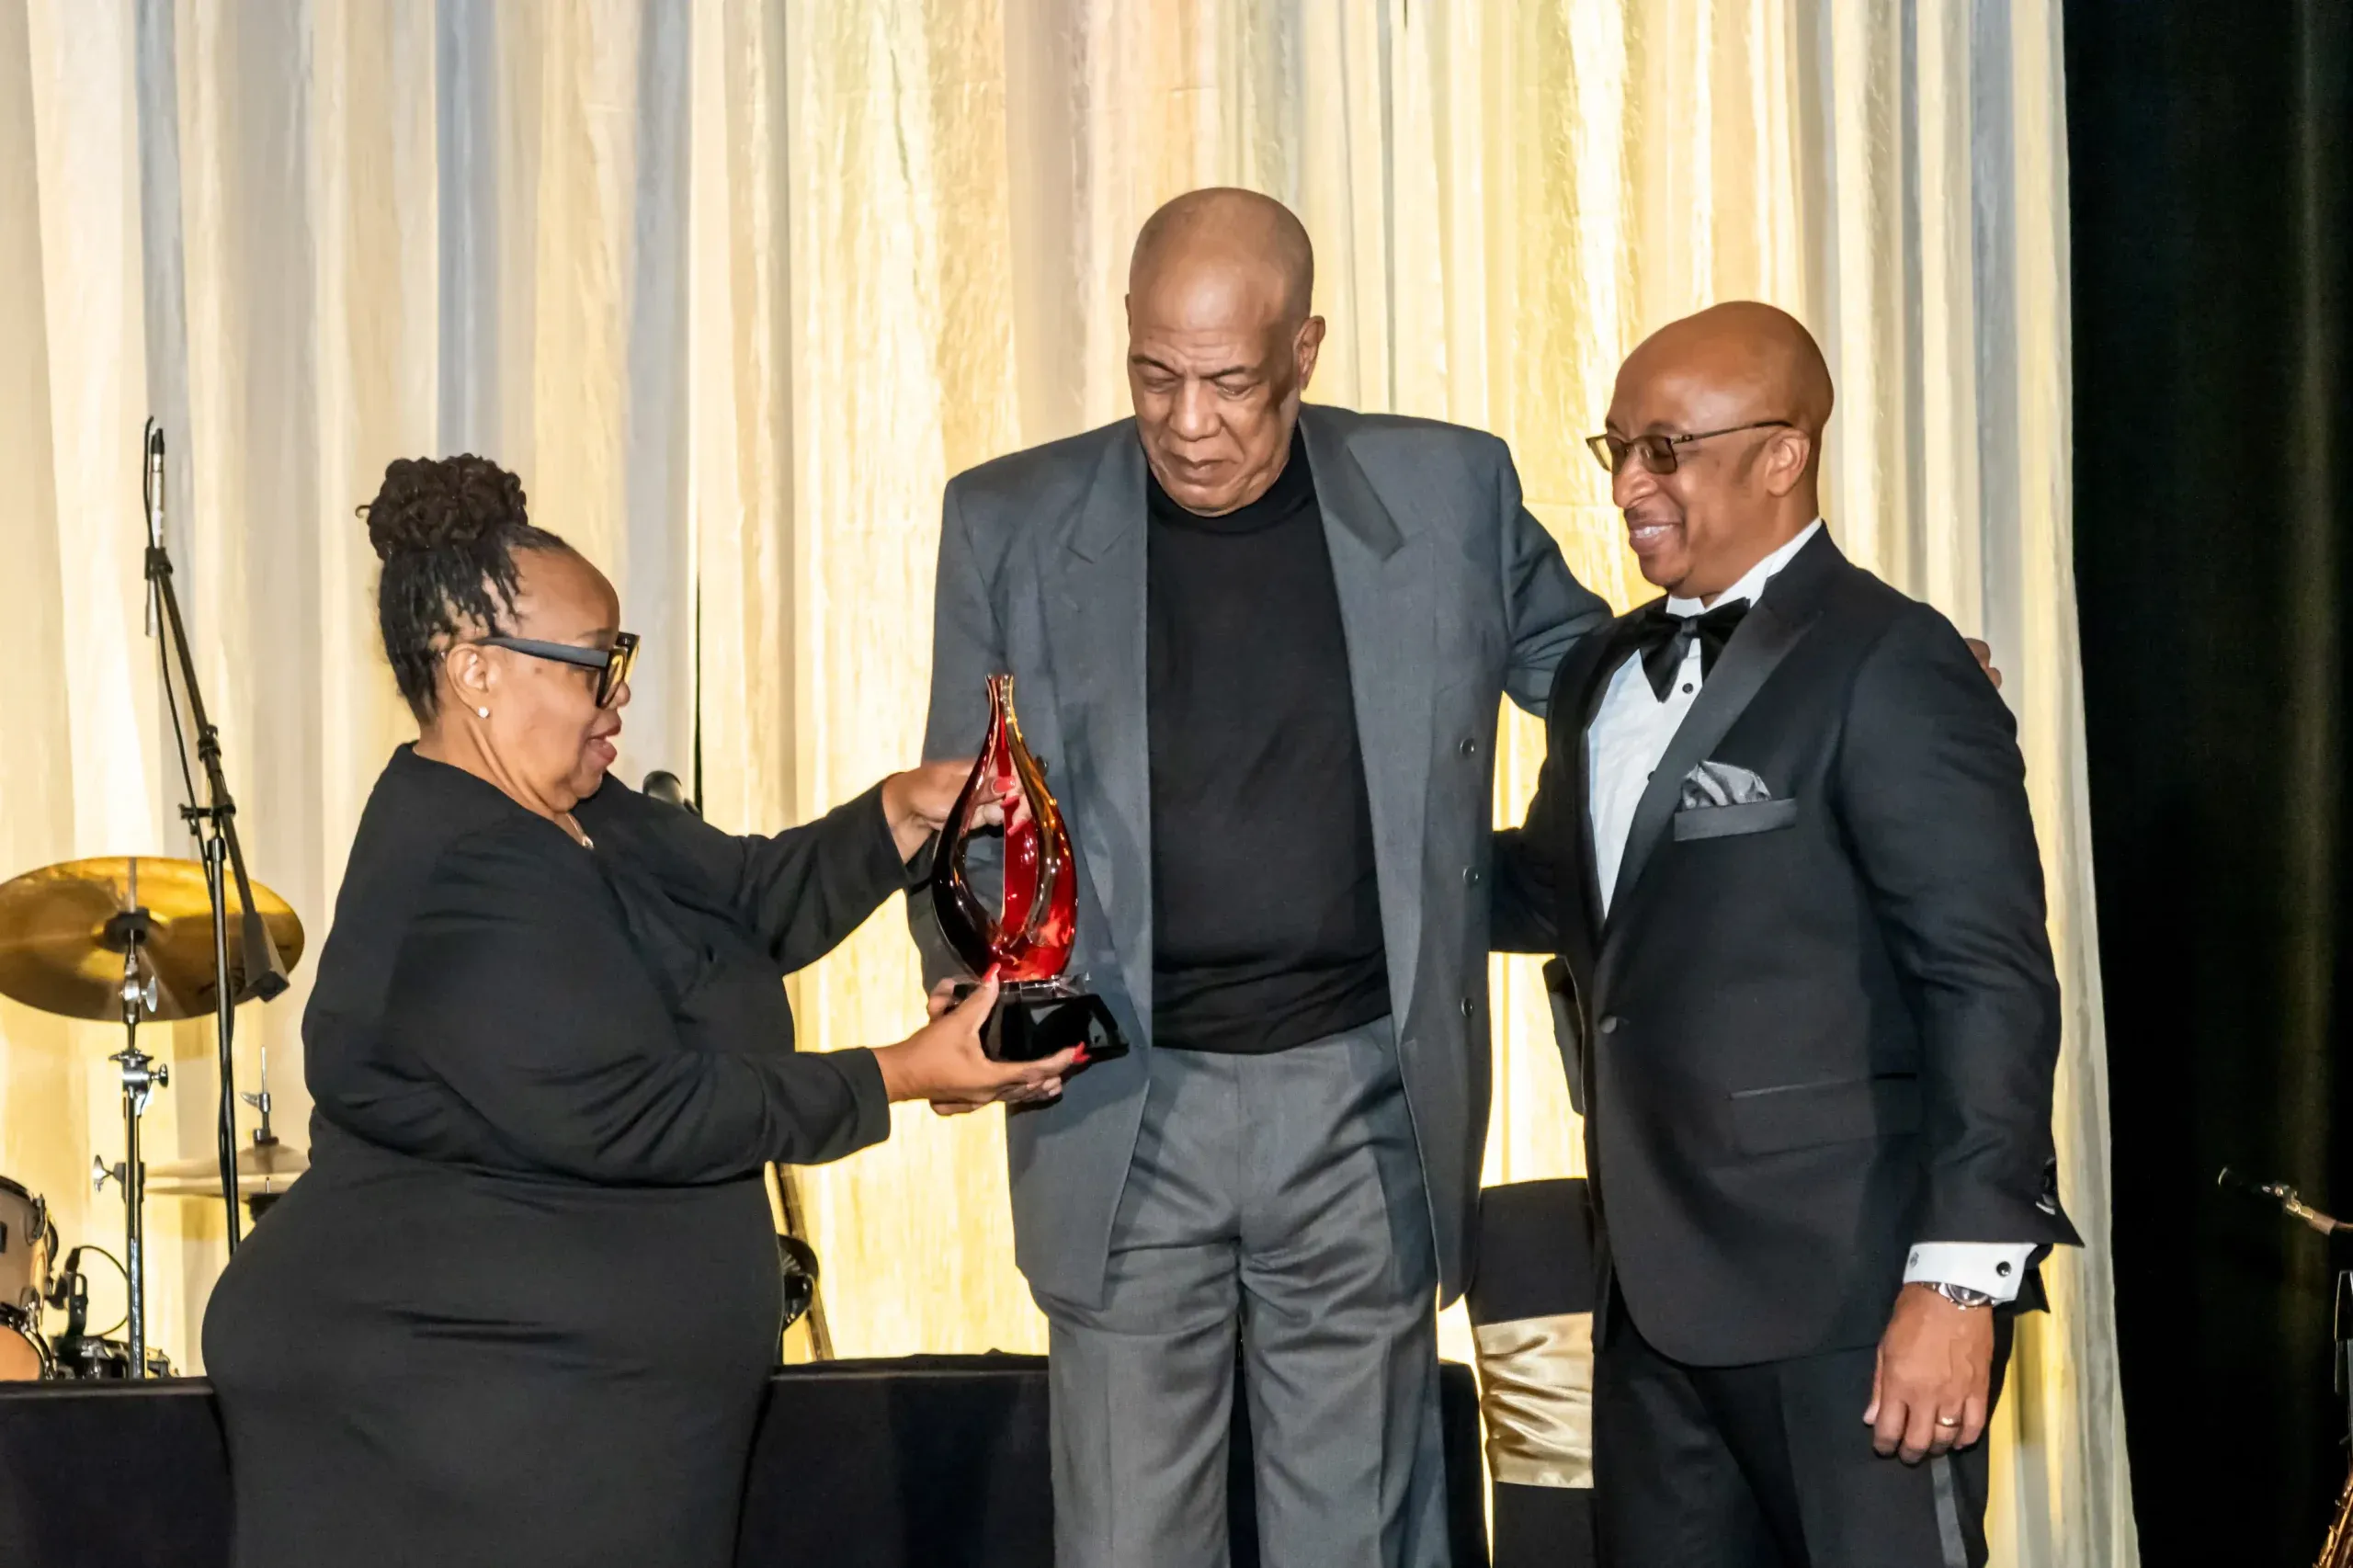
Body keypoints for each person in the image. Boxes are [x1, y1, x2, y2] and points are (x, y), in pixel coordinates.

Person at [202, 455, 1073, 1568]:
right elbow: (633, 1108)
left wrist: (899, 814)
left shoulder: (583, 811)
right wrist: (900, 1070)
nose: (618, 697)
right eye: (594, 665)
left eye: (622, 657)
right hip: (455, 1418)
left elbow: (744, 901)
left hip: (574, 1408)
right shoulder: (458, 866)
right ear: (474, 669)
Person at [914, 187, 1611, 1568]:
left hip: (1359, 1098)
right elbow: (967, 804)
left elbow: (1602, 687)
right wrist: (967, 979)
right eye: (1154, 374)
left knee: (1353, 1539)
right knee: (1127, 1541)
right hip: (1117, 1099)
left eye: (1230, 382)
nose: (1188, 422)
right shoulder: (1008, 519)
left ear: (1305, 348)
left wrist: (1822, 662)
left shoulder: (1448, 493)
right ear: (1126, 331)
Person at [1489, 302, 2079, 1567]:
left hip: (1852, 1303)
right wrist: (1323, 871)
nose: (1629, 485)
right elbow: (1552, 891)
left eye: (1664, 449)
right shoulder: (1599, 674)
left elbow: (1986, 983)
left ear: (1781, 454)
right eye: (1617, 448)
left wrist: (1958, 1282)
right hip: (1648, 1303)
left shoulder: (1893, 659)